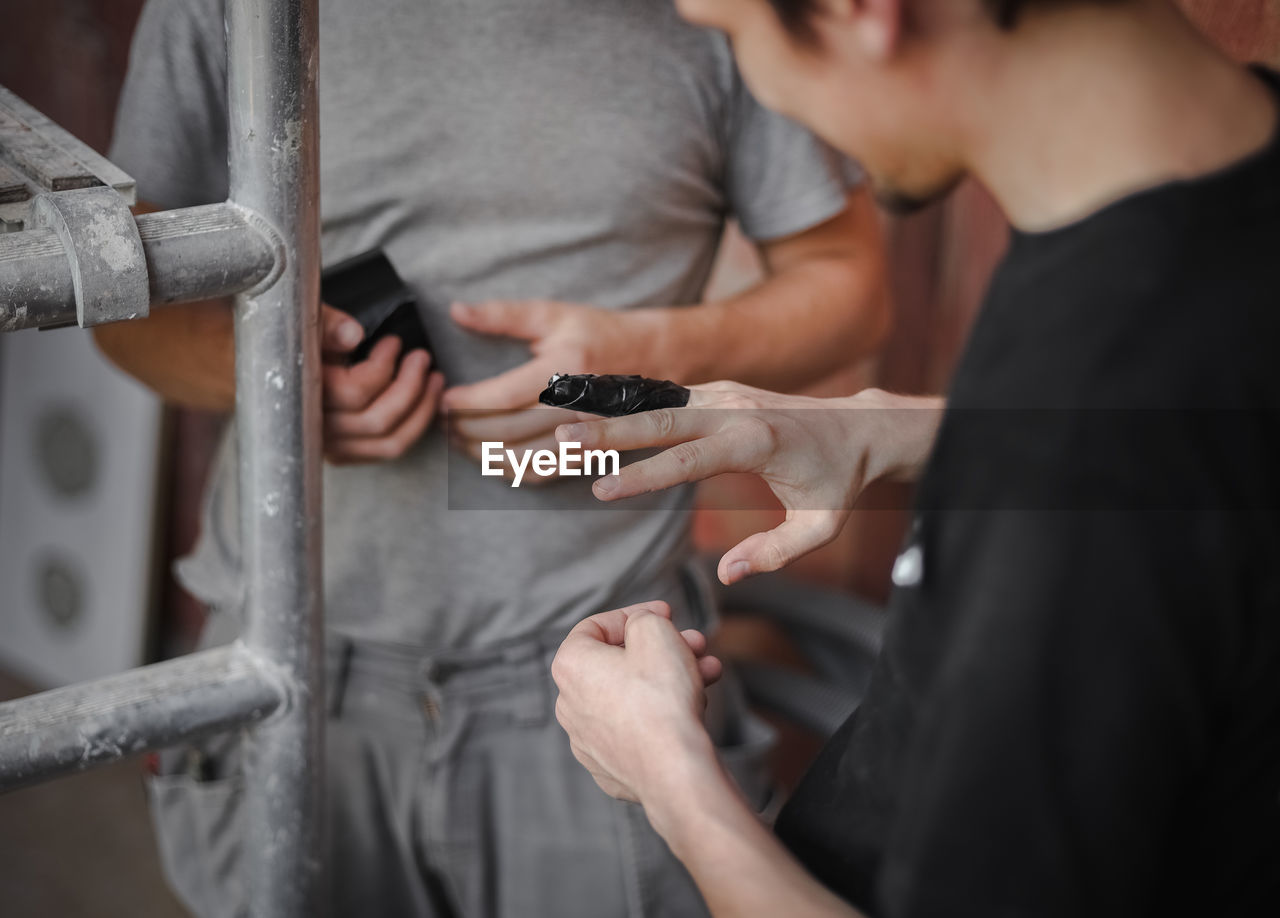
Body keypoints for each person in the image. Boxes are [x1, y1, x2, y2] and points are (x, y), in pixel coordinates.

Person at [96, 0, 890, 915]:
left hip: (601, 667)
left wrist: (655, 353)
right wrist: (279, 381)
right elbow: (130, 310)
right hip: (290, 658)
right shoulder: (225, 11)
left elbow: (850, 289)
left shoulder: (717, 10)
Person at [550, 0, 1280, 915]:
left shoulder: (1091, 442)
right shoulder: (1217, 183)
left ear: (861, 11)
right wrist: (898, 428)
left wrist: (669, 776)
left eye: (737, 35)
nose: (768, 92)